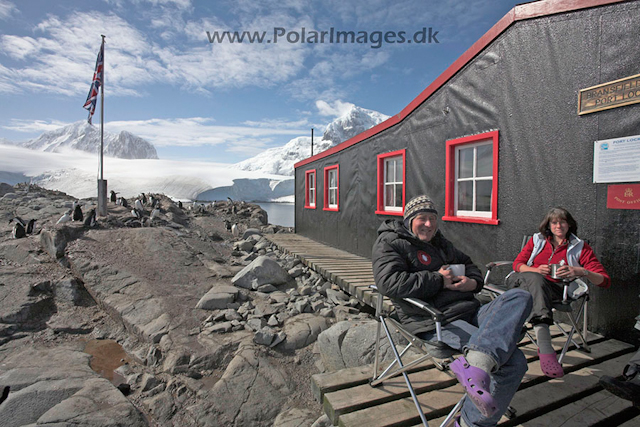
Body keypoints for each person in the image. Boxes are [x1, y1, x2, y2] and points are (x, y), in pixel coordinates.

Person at [372, 195, 533, 427]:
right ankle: (469, 423)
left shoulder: (440, 242)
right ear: (409, 220)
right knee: (514, 361)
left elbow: (469, 264)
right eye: (422, 218)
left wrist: (472, 283)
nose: (428, 224)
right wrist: (438, 279)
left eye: (432, 219)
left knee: (520, 296)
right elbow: (389, 283)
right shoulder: (391, 242)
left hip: (470, 309)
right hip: (435, 318)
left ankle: (476, 366)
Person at [507, 207, 610, 378]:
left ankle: (513, 331)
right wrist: (535, 269)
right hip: (522, 282)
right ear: (548, 225)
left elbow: (604, 280)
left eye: (562, 222)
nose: (558, 226)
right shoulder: (537, 240)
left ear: (569, 224)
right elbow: (517, 264)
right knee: (535, 279)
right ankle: (545, 347)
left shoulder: (579, 247)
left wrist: (580, 271)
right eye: (554, 222)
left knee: (530, 292)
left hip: (554, 290)